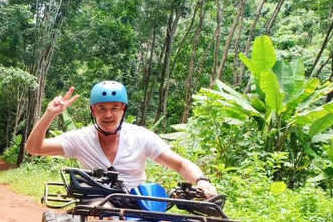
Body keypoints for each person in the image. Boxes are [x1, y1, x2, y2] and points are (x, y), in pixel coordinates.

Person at [25, 80, 217, 198]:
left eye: (114, 108)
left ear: (123, 109)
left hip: (138, 204)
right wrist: (50, 114)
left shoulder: (140, 136)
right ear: (93, 111)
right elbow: (34, 148)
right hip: (96, 203)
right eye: (102, 108)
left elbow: (180, 164)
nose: (108, 114)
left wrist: (201, 180)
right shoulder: (80, 138)